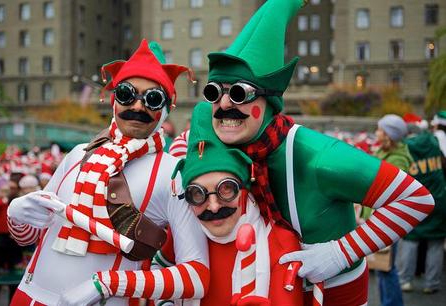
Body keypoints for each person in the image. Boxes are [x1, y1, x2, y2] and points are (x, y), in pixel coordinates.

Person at [171, 0, 435, 304]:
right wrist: (179, 162)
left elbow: (415, 198)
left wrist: (340, 252)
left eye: (240, 93)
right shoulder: (226, 134)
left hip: (332, 292)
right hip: (266, 285)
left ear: (269, 102)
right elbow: (188, 137)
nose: (225, 104)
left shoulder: (319, 157)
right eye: (215, 92)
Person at [6, 40, 209, 306]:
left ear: (165, 109)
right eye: (126, 94)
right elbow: (30, 237)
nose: (137, 106)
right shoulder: (78, 154)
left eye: (153, 98)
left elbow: (196, 276)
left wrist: (107, 283)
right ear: (114, 101)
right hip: (29, 297)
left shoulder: (173, 172)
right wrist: (16, 214)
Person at [156, 106, 304, 306]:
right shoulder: (185, 231)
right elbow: (158, 270)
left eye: (226, 189)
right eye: (198, 194)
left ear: (244, 187)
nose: (214, 207)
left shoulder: (278, 241)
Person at [397, 114, 446, 294]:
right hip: (438, 199)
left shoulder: (404, 148)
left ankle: (405, 280)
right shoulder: (433, 142)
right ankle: (431, 283)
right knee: (435, 243)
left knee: (410, 240)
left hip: (414, 201)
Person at [372, 114, 414, 306]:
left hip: (388, 219)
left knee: (386, 267)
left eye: (379, 129)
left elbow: (390, 192)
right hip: (380, 216)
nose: (376, 132)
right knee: (381, 267)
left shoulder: (397, 159)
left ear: (388, 134)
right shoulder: (384, 152)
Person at [0, 176, 23, 306]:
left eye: (6, 190)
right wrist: (1, 200)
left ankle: (12, 301)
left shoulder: (9, 199)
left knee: (13, 269)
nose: (5, 192)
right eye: (2, 190)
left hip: (9, 238)